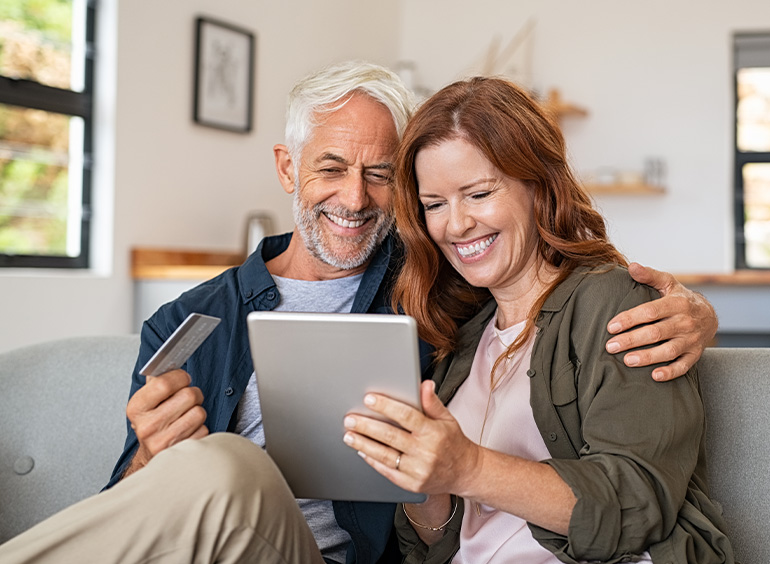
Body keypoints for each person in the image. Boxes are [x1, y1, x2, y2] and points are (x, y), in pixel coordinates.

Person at [0, 63, 716, 564]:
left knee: (224, 466)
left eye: (380, 174)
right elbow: (129, 523)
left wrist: (691, 313)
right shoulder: (191, 321)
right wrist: (151, 460)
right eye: (331, 168)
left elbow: (556, 297)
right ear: (288, 169)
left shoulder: (440, 289)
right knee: (210, 469)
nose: (355, 199)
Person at [341, 77, 734, 564]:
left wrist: (469, 467)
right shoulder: (463, 335)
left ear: (537, 185)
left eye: (479, 194)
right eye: (435, 205)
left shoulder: (614, 302)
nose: (456, 224)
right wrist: (421, 479)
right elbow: (435, 545)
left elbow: (638, 502)